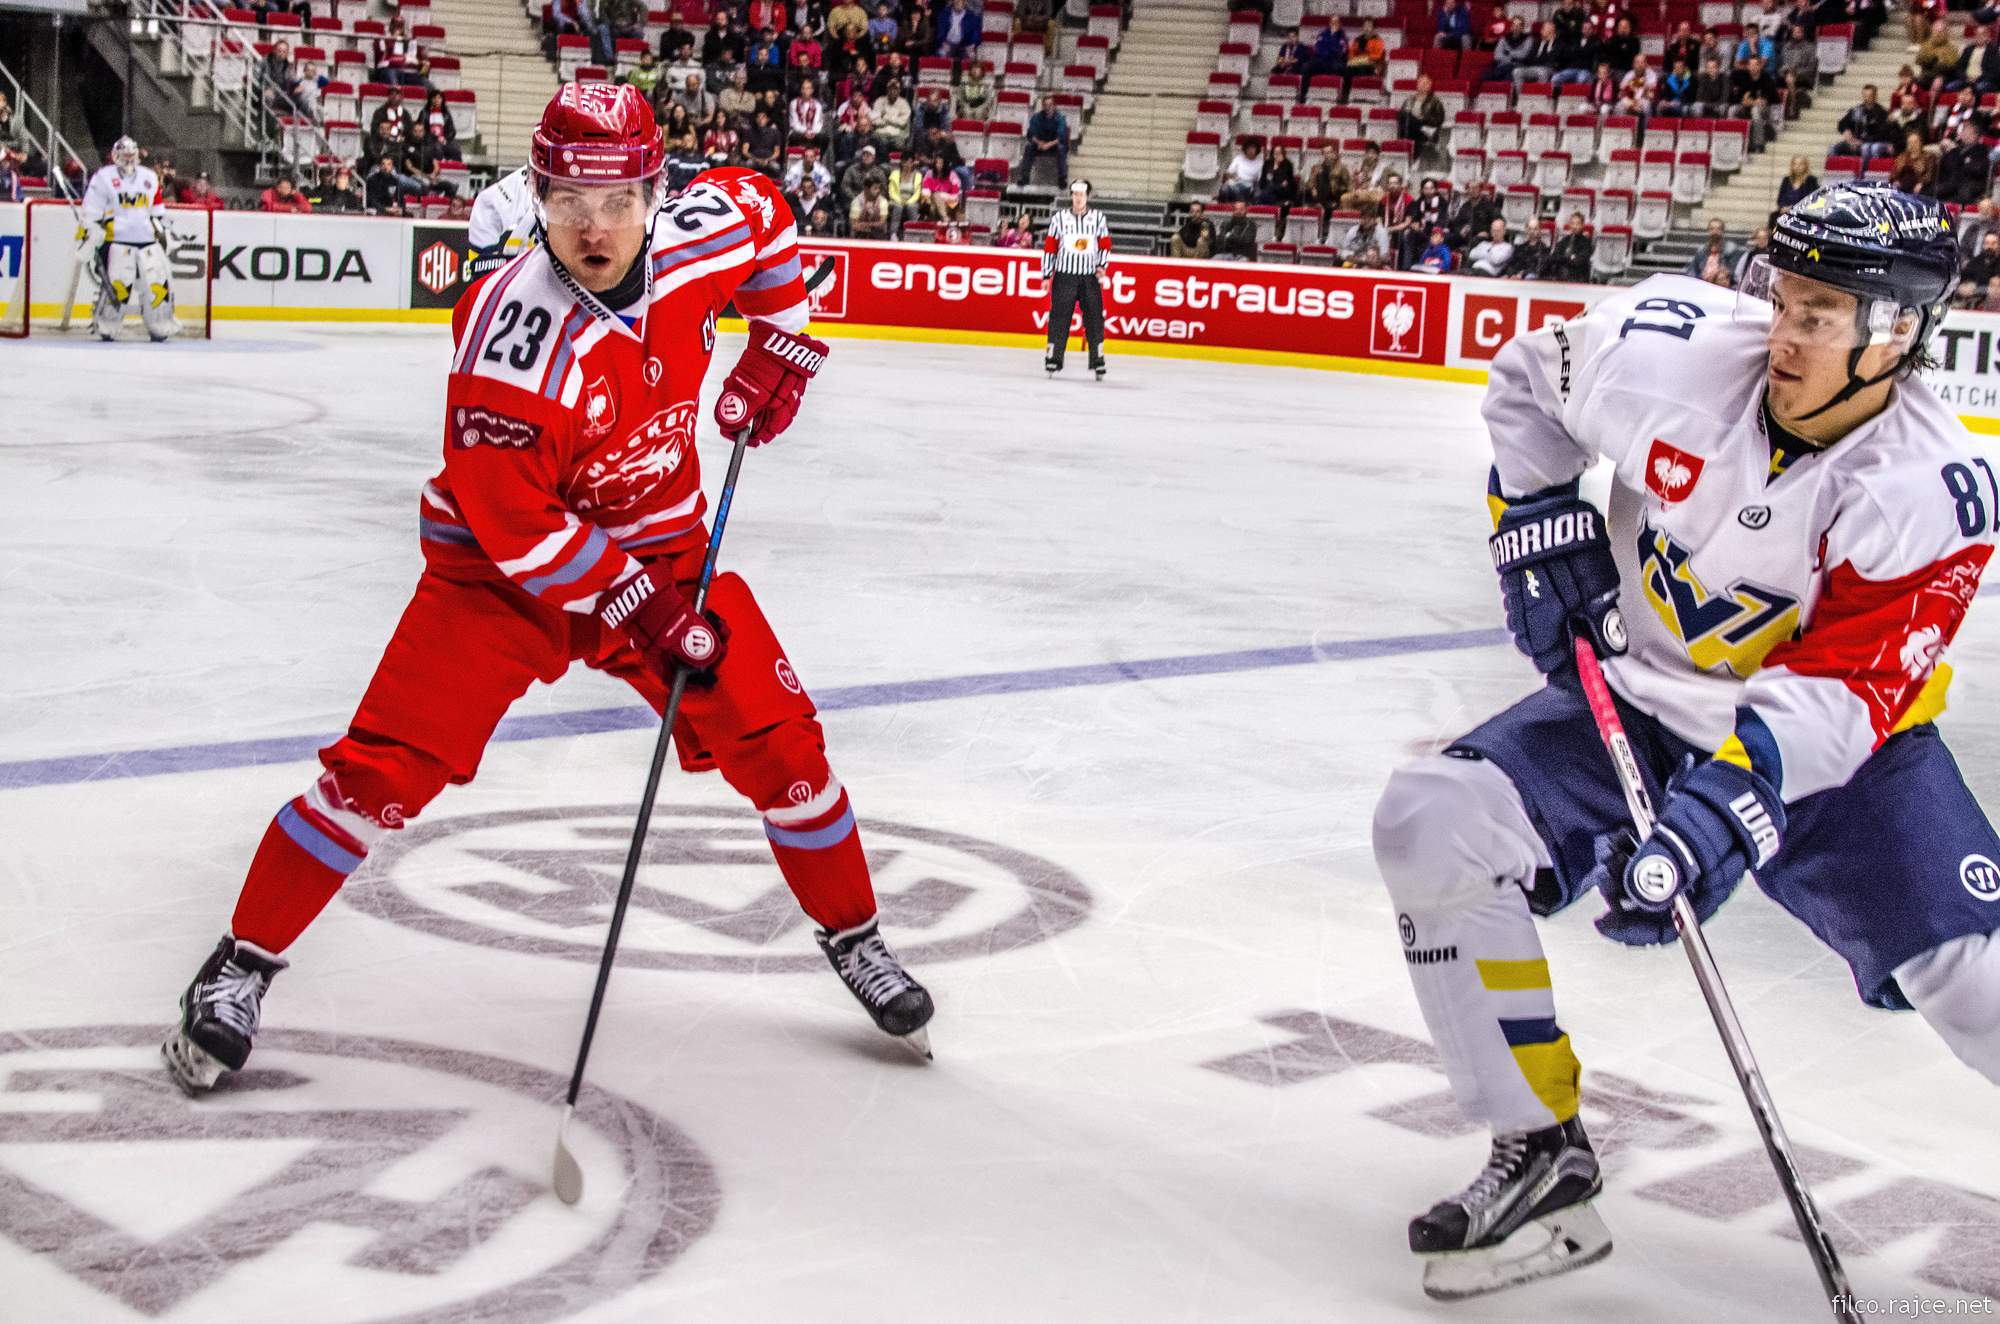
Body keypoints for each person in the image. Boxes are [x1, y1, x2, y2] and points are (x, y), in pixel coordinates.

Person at [161, 82, 936, 1098]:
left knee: (782, 745)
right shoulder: (510, 337)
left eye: (616, 202)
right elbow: (514, 525)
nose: (594, 227)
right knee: (381, 773)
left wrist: (784, 344)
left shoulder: (702, 233)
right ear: (537, 195)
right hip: (497, 584)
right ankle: (239, 966)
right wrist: (638, 602)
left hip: (660, 552)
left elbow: (768, 218)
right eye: (569, 200)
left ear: (656, 194)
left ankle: (856, 936)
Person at [1371, 183, 1997, 1303]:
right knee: (1435, 819)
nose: (1783, 334)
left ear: (1896, 333)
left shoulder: (1929, 489)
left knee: (1977, 980)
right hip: (1647, 700)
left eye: (1819, 315)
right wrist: (1537, 518)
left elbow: (1844, 695)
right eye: (1782, 298)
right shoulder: (1667, 349)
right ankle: (1538, 1147)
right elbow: (1527, 380)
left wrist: (1719, 815)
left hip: (1842, 757)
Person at [79, 136, 181, 342]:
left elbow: (157, 211)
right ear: (115, 155)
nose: (128, 159)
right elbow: (91, 211)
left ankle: (160, 325)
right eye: (124, 155)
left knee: (158, 284)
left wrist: (167, 232)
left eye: (131, 155)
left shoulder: (149, 177)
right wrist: (90, 233)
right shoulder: (103, 177)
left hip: (148, 241)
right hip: (118, 242)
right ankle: (107, 325)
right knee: (119, 285)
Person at [1041, 178, 1111, 378]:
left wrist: (1101, 265)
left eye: (1081, 195)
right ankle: (1053, 358)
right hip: (1065, 275)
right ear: (1071, 196)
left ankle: (1098, 360)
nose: (1078, 198)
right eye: (1075, 194)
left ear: (1087, 196)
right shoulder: (1059, 218)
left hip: (1089, 276)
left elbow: (1105, 243)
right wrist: (1046, 274)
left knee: (1094, 319)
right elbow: (1050, 246)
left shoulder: (1098, 218)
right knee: (1059, 318)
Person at [1937, 118, 1994, 205]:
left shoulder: (1982, 150)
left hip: (1967, 186)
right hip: (1949, 183)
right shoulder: (1955, 150)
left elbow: (1978, 169)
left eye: (1966, 130)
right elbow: (1944, 164)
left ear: (1975, 135)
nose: (1962, 133)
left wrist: (1962, 164)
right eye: (1963, 129)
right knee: (1929, 190)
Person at [1019, 93, 1070, 188]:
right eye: (1045, 105)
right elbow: (1031, 134)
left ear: (1054, 106)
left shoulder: (1060, 118)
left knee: (1061, 148)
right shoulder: (1036, 117)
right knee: (1029, 147)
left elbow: (1061, 137)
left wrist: (1049, 144)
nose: (1048, 107)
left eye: (1050, 105)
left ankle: (1062, 179)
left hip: (1054, 145)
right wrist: (1039, 142)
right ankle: (1024, 177)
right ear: (1043, 106)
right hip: (1040, 144)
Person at [1544, 210, 1592, 281]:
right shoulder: (1565, 240)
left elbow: (1578, 262)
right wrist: (1569, 258)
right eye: (1572, 223)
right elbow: (1555, 256)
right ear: (1570, 225)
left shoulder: (1586, 242)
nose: (1575, 226)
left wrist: (1564, 258)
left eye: (1578, 224)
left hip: (1578, 276)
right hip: (1562, 274)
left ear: (1582, 225)